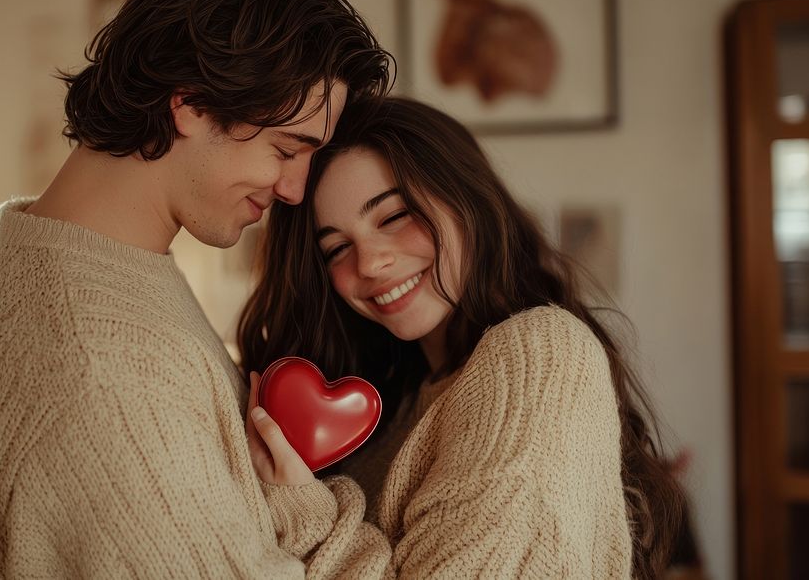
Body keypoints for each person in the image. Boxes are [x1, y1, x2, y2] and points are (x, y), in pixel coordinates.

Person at [0, 0, 396, 579]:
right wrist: (321, 523)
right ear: (190, 105)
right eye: (286, 148)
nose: (295, 190)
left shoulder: (74, 265)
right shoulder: (105, 369)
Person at [239, 96, 686, 579]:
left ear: (466, 200)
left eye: (394, 217)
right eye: (338, 247)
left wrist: (303, 511)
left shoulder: (538, 353)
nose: (368, 264)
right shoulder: (402, 395)